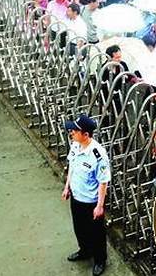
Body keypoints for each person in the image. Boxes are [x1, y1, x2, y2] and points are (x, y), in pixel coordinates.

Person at [62, 114, 111, 276]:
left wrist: (99, 206)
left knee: (96, 234)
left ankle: (100, 260)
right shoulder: (76, 145)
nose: (71, 133)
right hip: (76, 197)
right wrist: (67, 187)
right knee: (80, 228)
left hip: (91, 202)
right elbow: (72, 167)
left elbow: (103, 182)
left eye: (75, 131)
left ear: (86, 134)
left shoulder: (98, 155)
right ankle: (84, 251)